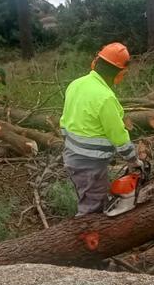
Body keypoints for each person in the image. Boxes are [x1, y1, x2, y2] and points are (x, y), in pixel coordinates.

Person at [60, 43, 143, 215]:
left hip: (71, 155)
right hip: (89, 164)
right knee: (92, 207)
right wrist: (133, 160)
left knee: (88, 194)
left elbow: (65, 120)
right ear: (120, 74)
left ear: (95, 62)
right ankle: (87, 236)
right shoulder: (105, 98)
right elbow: (118, 135)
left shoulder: (76, 84)